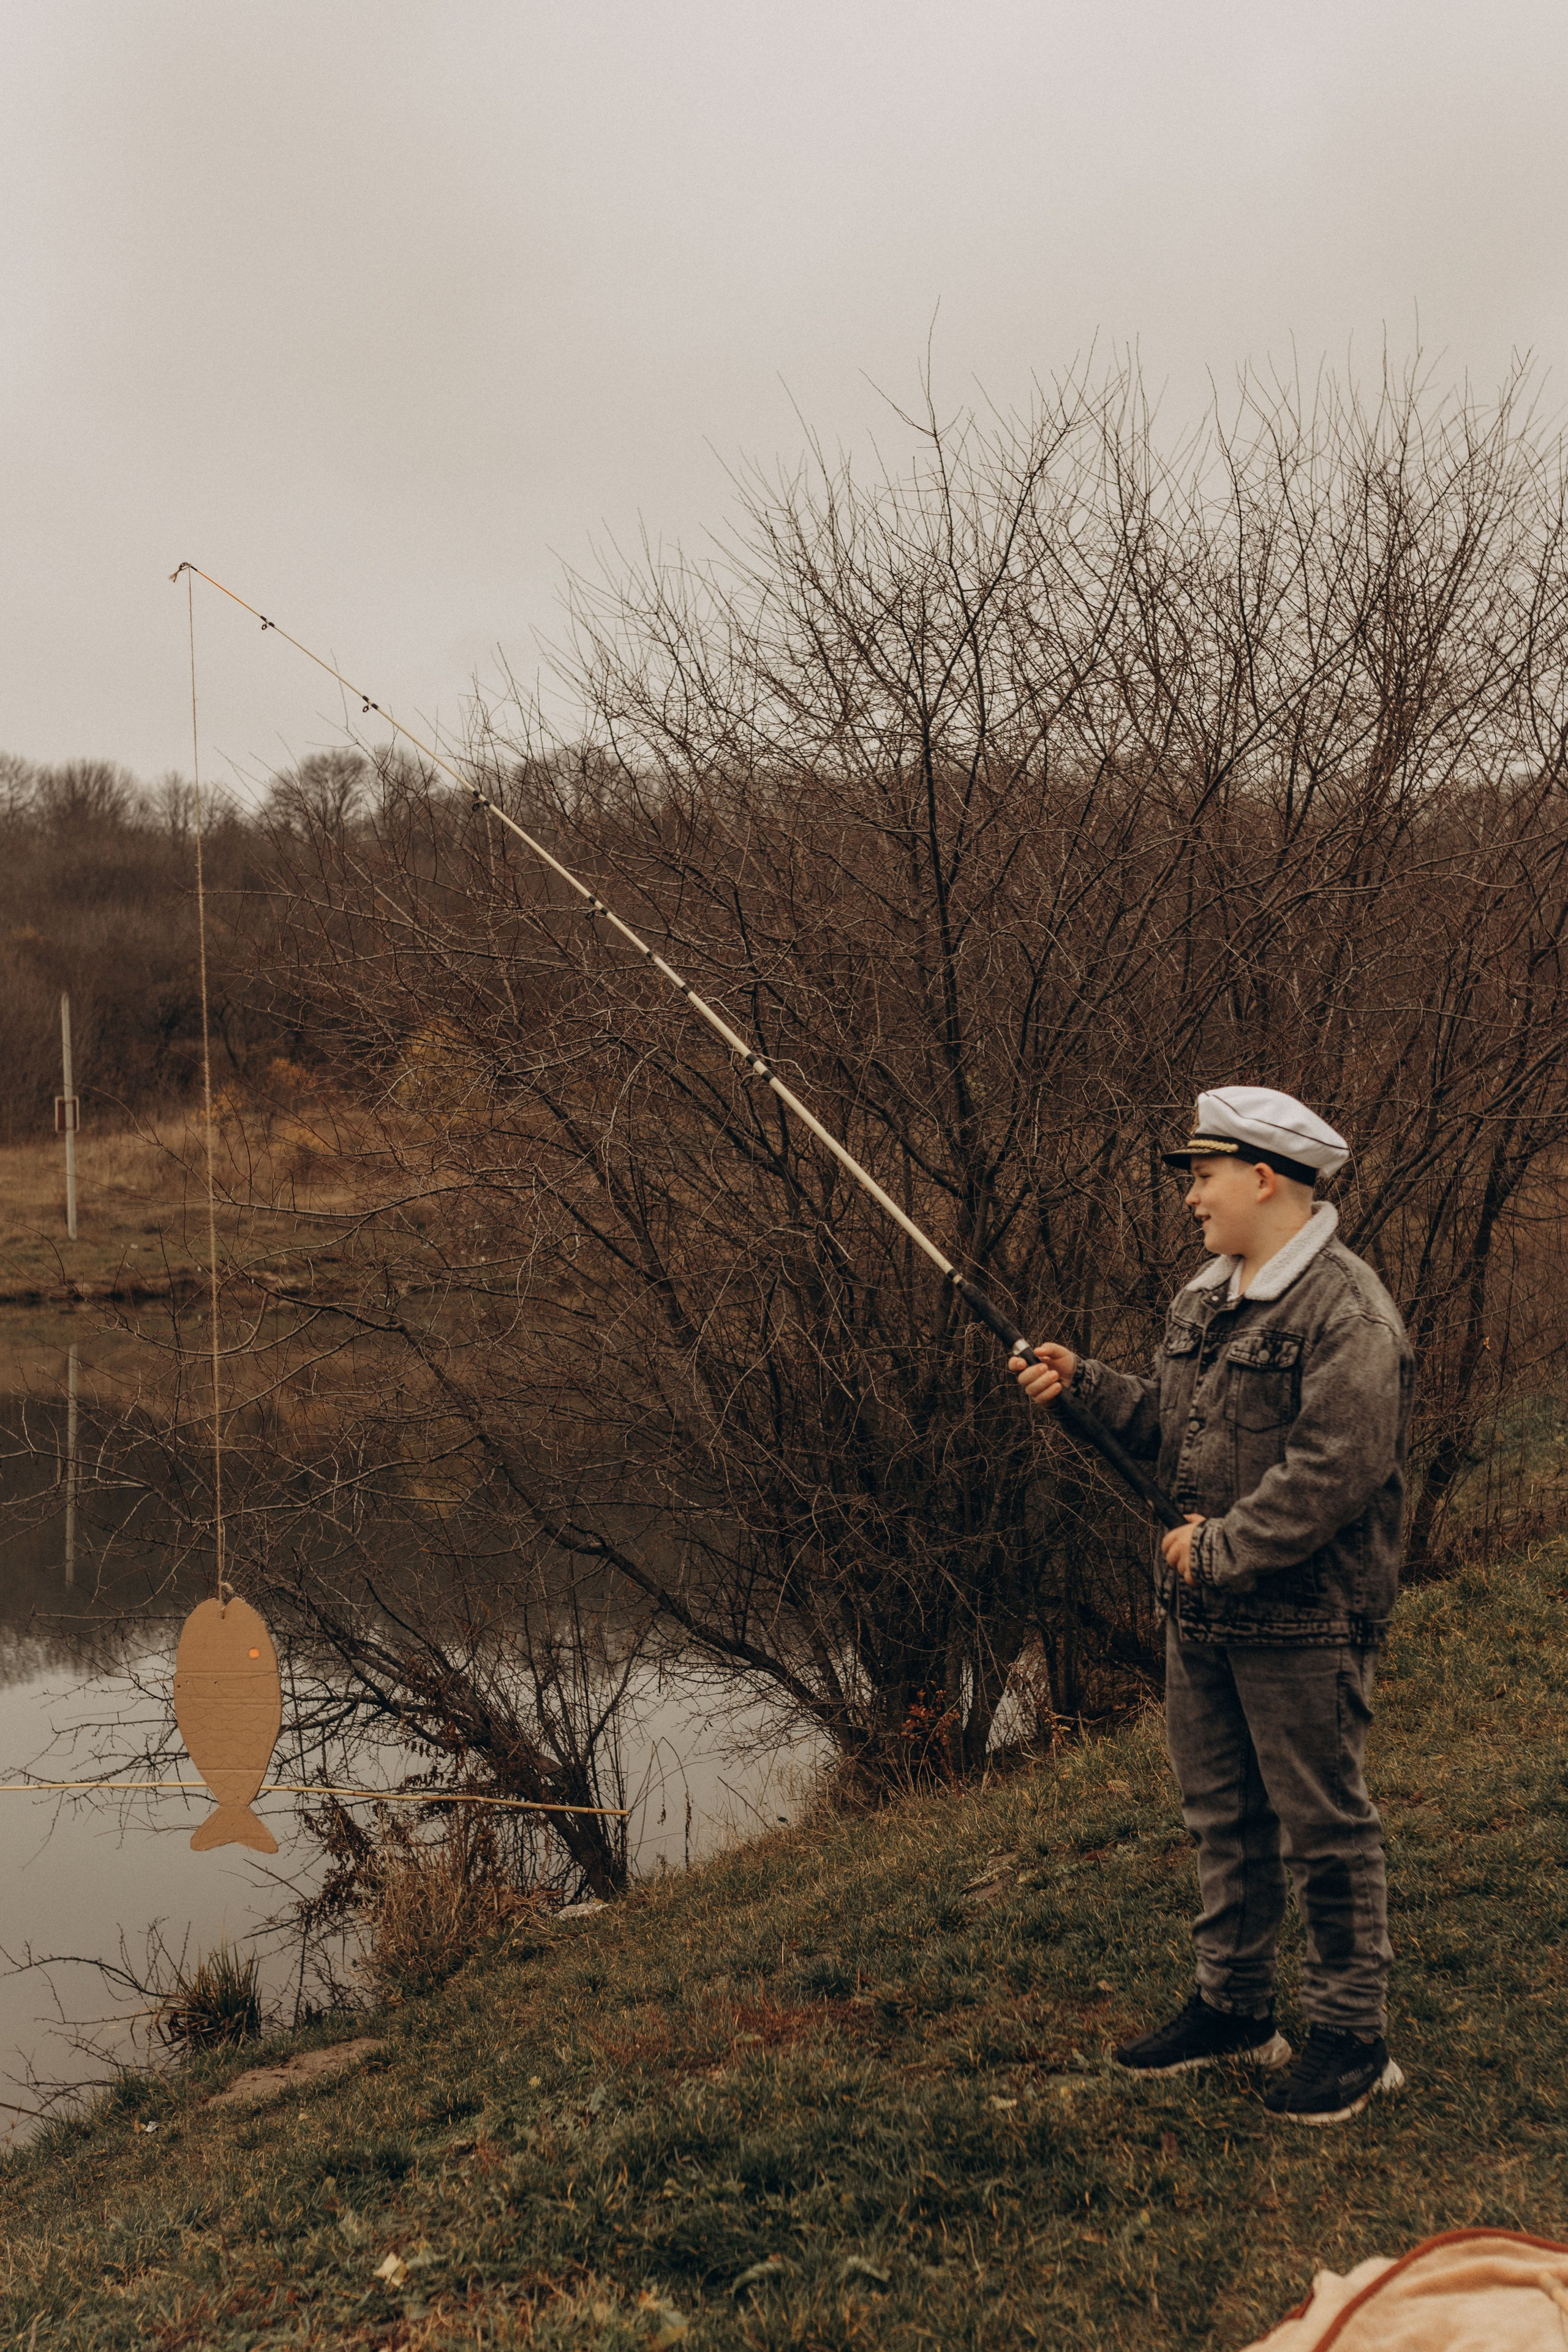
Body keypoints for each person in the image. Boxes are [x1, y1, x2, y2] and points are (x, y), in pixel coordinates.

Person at [1011, 1086, 1412, 2126]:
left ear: (1264, 1178)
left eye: (1204, 1177)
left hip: (1307, 1617)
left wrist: (1221, 1547)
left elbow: (1338, 1471)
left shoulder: (1348, 1312)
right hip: (1207, 1613)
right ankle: (1235, 2009)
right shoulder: (1205, 1298)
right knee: (1224, 1821)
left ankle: (1351, 2040)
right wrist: (1084, 1386)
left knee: (1324, 1829)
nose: (1193, 1198)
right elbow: (1174, 1430)